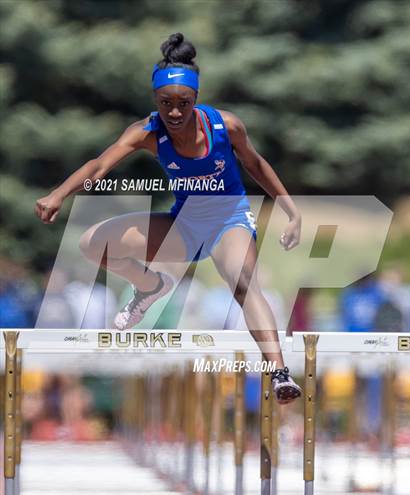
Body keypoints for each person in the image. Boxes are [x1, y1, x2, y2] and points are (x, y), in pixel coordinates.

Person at [34, 33, 302, 404]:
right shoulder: (147, 132)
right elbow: (99, 164)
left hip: (229, 221)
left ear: (196, 99)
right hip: (186, 225)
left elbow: (255, 164)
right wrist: (59, 193)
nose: (174, 113)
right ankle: (149, 287)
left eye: (183, 104)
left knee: (243, 282)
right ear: (156, 100)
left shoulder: (226, 126)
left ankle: (278, 372)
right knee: (91, 243)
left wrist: (290, 210)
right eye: (165, 104)